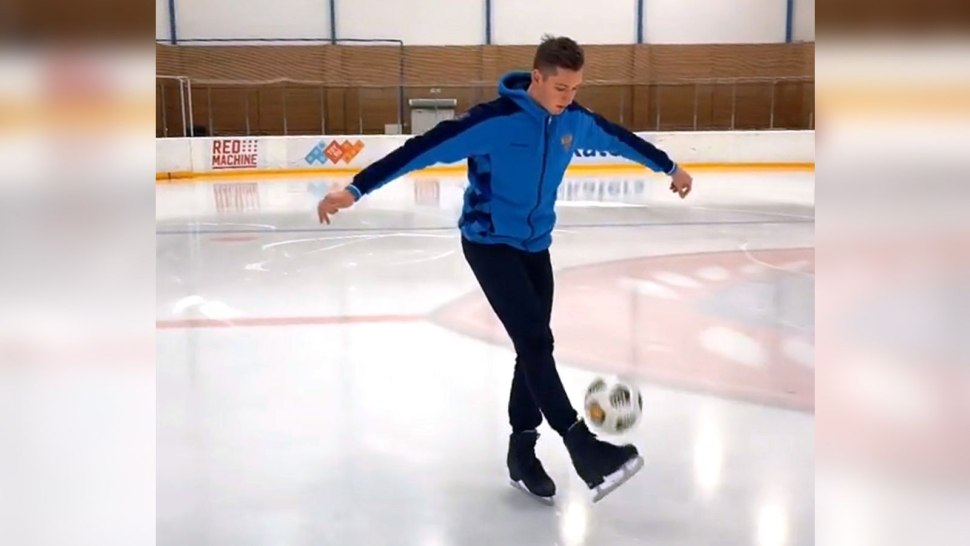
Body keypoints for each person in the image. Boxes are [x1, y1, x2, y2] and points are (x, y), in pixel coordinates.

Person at [316, 35, 693, 503]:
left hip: (535, 247)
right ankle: (582, 445)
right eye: (560, 88)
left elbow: (621, 139)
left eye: (575, 88)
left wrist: (670, 167)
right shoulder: (494, 121)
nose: (568, 98)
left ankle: (522, 453)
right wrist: (355, 189)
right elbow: (421, 149)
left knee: (532, 346)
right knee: (535, 342)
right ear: (537, 77)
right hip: (489, 244)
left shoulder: (573, 121)